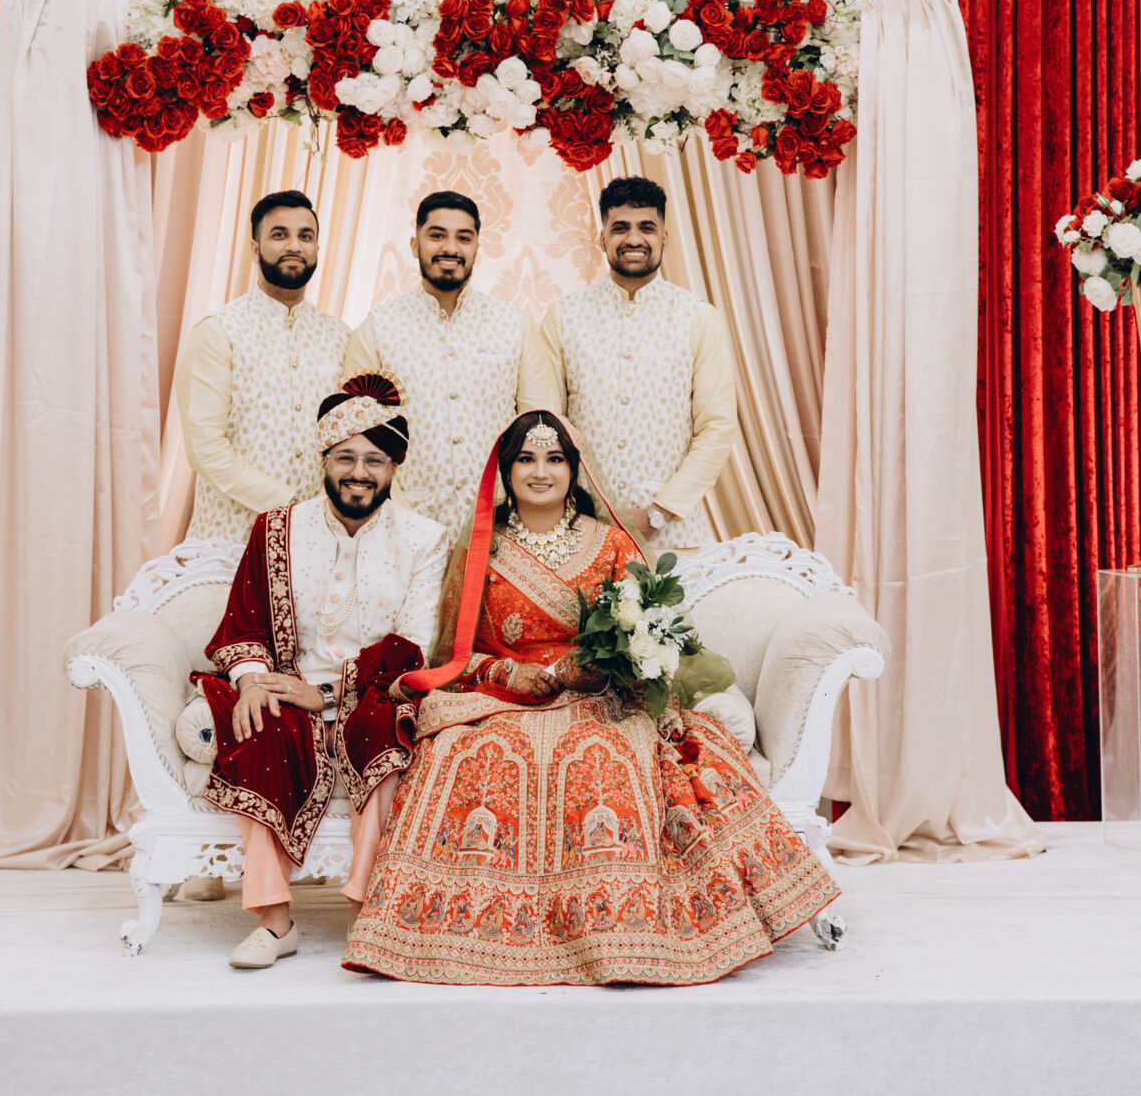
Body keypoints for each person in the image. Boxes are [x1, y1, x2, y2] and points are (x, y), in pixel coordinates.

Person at [342, 411, 839, 985]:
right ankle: (471, 928)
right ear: (506, 471)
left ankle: (616, 927)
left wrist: (603, 668)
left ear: (575, 470)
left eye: (555, 459)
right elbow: (456, 654)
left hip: (600, 695)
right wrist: (509, 671)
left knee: (605, 758)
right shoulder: (484, 549)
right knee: (469, 755)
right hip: (504, 699)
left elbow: (649, 639)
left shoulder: (612, 545)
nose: (541, 471)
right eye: (526, 459)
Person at [195, 375, 449, 968]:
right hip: (284, 687)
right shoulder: (275, 529)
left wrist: (330, 693)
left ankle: (368, 915)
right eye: (345, 458)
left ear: (394, 468)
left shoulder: (424, 539)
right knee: (256, 727)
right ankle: (274, 922)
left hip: (376, 692)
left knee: (387, 735)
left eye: (374, 460)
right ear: (324, 460)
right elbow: (245, 623)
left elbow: (413, 644)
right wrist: (252, 681)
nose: (359, 472)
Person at [519, 176, 736, 549]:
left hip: (673, 536)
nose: (634, 239)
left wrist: (659, 513)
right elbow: (546, 422)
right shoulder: (565, 316)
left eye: (646, 228)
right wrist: (575, 507)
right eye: (620, 228)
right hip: (578, 529)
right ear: (601, 238)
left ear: (664, 237)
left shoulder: (698, 318)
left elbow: (716, 429)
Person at [344, 190, 532, 539]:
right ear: (415, 245)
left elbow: (538, 427)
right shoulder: (377, 330)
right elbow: (358, 435)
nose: (450, 248)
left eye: (464, 238)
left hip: (501, 524)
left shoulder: (514, 326)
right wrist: (398, 514)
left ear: (477, 247)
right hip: (401, 525)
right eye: (437, 235)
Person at [175, 189, 351, 543]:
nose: (294, 246)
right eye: (279, 234)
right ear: (254, 249)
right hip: (229, 539)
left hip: (315, 543)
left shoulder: (340, 337)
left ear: (317, 249)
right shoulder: (219, 331)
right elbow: (205, 448)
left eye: (305, 236)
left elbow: (347, 437)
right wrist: (289, 506)